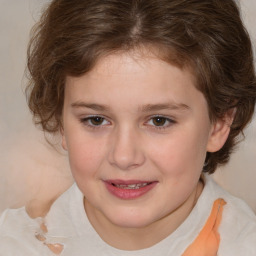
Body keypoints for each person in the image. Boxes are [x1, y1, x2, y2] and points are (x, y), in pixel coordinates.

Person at [0, 0, 256, 255]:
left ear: (219, 124)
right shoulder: (14, 244)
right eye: (96, 120)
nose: (123, 157)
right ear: (62, 123)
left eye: (159, 120)